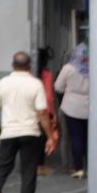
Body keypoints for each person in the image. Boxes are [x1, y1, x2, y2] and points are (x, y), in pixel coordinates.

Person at [0, 52, 56, 193]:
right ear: (29, 66)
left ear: (12, 65)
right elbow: (42, 113)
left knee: (2, 166)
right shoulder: (35, 84)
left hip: (9, 132)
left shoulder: (2, 83)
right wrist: (50, 137)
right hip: (30, 133)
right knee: (28, 172)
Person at [55, 43, 89, 179]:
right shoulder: (93, 67)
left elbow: (58, 87)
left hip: (71, 107)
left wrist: (68, 90)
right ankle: (89, 167)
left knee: (74, 137)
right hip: (89, 107)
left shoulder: (68, 68)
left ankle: (78, 168)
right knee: (87, 138)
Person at [37, 47, 59, 176]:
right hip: (44, 110)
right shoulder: (47, 74)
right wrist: (52, 112)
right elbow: (49, 96)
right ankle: (40, 166)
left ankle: (34, 164)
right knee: (43, 138)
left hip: (31, 110)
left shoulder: (31, 74)